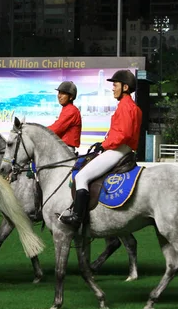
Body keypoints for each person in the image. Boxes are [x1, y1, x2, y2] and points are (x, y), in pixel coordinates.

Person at [60, 70, 142, 227]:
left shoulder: (125, 106)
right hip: (124, 150)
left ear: (125, 87)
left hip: (117, 151)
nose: (112, 88)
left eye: (115, 85)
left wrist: (103, 145)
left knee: (81, 177)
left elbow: (122, 135)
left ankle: (77, 218)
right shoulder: (134, 107)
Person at [48, 81, 82, 153]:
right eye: (59, 92)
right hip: (62, 147)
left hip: (65, 149)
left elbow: (56, 128)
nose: (59, 96)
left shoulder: (71, 110)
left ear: (71, 97)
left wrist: (38, 131)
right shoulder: (67, 109)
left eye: (63, 93)